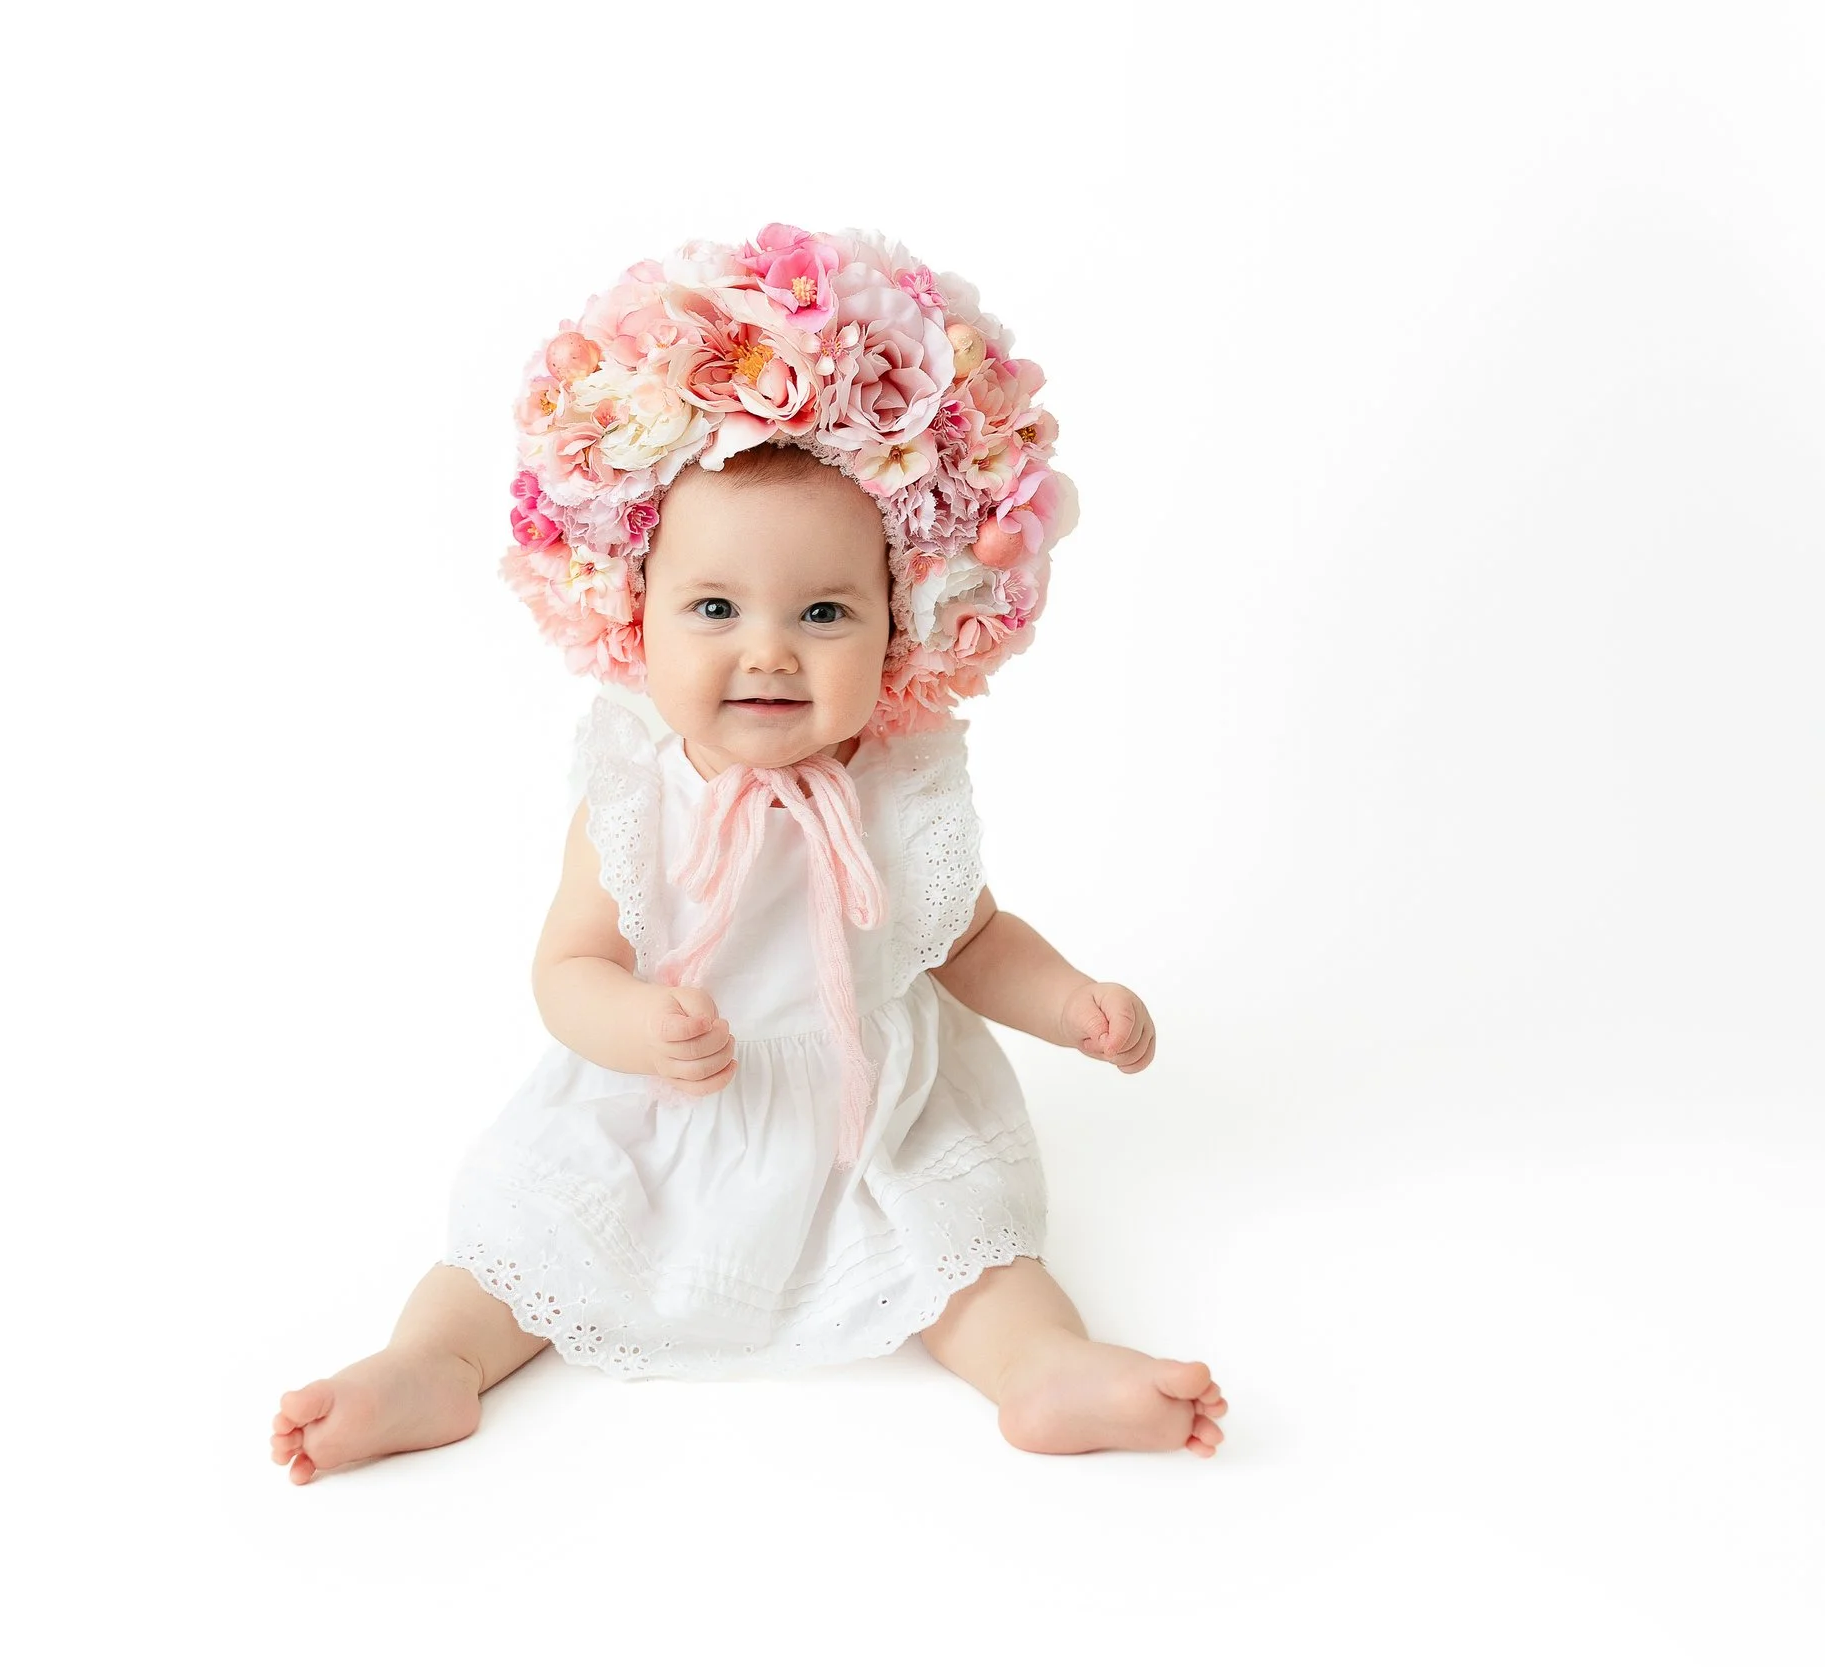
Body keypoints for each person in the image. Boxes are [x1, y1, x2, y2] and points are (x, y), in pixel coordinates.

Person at [272, 225, 1227, 1483]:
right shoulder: (640, 791)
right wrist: (631, 1022)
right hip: (662, 1107)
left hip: (865, 1114)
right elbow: (566, 963)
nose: (767, 649)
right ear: (635, 613)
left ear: (903, 623)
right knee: (520, 1239)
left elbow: (969, 938)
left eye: (823, 611)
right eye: (714, 608)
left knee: (971, 1250)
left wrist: (1070, 1001)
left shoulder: (900, 787)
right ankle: (430, 1362)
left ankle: (1045, 1367)